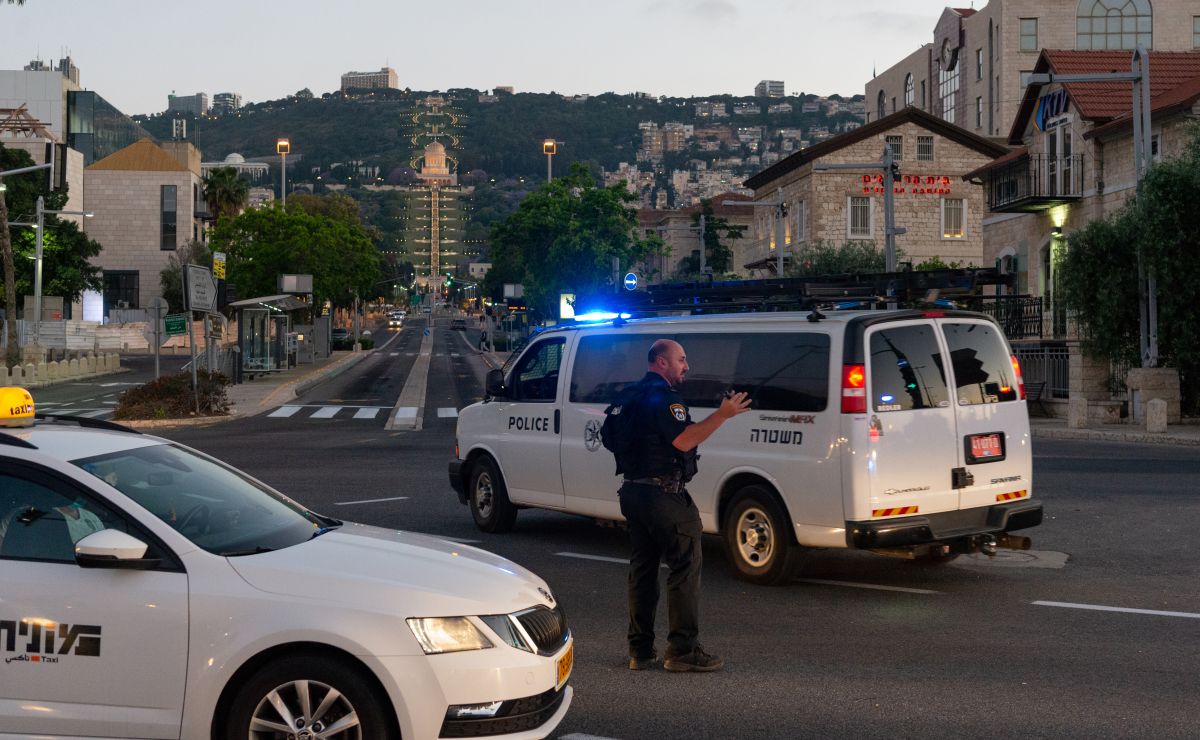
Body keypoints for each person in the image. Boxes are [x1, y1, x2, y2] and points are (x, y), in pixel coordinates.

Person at [615, 338, 750, 672]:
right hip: (665, 496)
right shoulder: (664, 398)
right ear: (661, 362)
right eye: (681, 360)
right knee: (685, 566)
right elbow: (684, 438)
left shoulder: (629, 395)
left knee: (643, 572)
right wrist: (723, 415)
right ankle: (682, 650)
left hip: (633, 492)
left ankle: (640, 651)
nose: (686, 367)